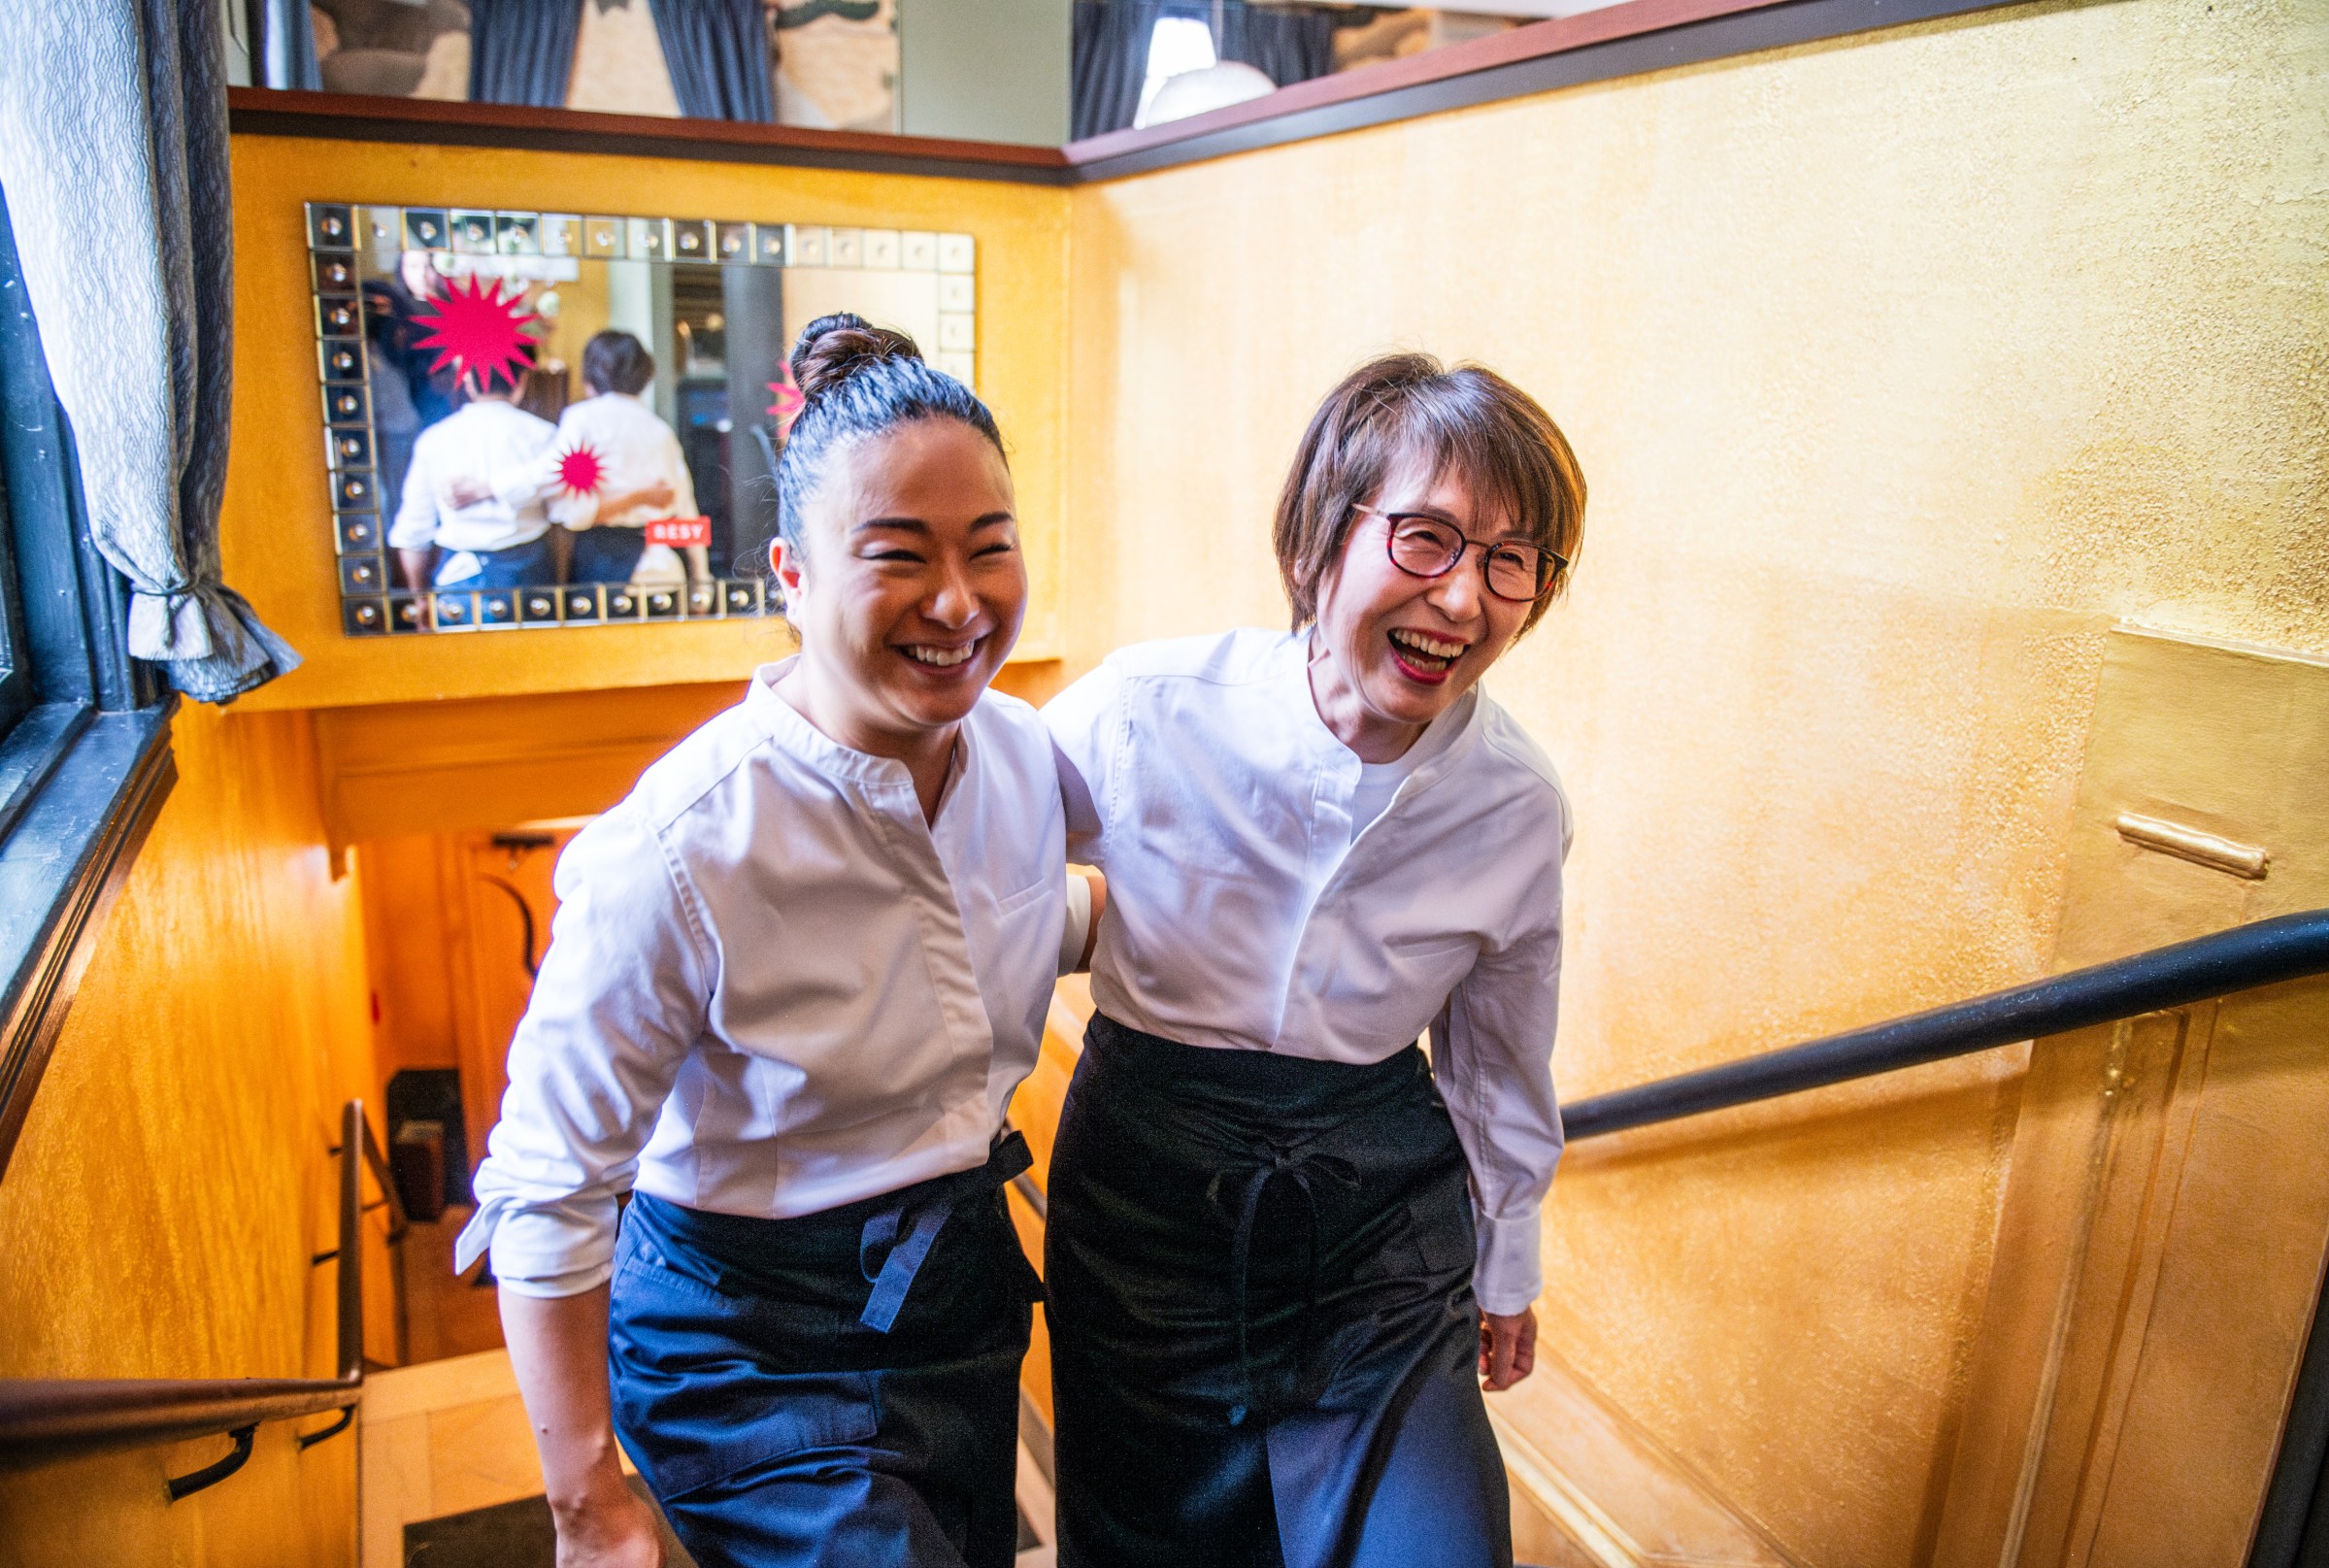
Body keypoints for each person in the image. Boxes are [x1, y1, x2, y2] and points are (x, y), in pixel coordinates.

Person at [457, 315, 1098, 1568]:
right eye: (898, 555)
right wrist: (588, 1500)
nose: (958, 602)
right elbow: (544, 1184)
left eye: (989, 548)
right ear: (789, 576)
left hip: (949, 1283)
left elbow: (1019, 924)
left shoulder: (1024, 756)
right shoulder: (681, 847)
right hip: (738, 1337)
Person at [1042, 353, 1586, 1568]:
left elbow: (1500, 1056)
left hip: (1378, 1226)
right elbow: (961, 863)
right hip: (1148, 1193)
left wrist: (1506, 1257)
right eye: (1428, 539)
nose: (1462, 600)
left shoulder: (1515, 801)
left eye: (1511, 562)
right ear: (1319, 537)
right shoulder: (1145, 709)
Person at [467, 329, 708, 586]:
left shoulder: (583, 418)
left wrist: (489, 488)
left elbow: (551, 477)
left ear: (591, 373)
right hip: (663, 566)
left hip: (602, 562)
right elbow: (685, 507)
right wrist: (701, 580)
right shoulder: (660, 430)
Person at [388, 362, 561, 591]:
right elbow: (564, 510)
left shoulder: (435, 439)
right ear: (522, 382)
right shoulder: (544, 434)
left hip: (457, 579)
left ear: (468, 382)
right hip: (529, 572)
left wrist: (419, 598)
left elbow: (413, 531)